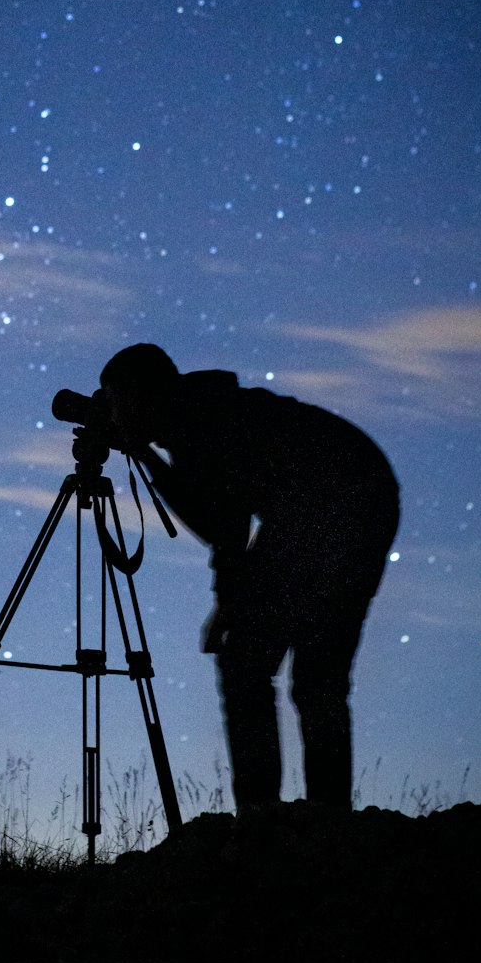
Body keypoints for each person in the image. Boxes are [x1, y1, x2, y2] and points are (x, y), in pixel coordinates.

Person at [98, 343, 400, 810]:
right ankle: (326, 817)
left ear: (141, 396)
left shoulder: (199, 422)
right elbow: (225, 518)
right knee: (316, 676)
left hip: (332, 505)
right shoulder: (201, 412)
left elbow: (224, 526)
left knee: (252, 664)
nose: (113, 414)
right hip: (360, 498)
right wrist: (231, 603)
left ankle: (263, 815)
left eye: (115, 402)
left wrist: (232, 605)